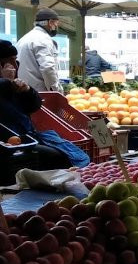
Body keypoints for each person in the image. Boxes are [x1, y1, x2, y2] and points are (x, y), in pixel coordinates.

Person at [0, 40, 88, 173]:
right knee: (54, 156)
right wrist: (6, 82)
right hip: (9, 143)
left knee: (73, 154)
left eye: (15, 61)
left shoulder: (13, 85)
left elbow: (34, 106)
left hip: (27, 137)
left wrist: (27, 90)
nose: (14, 66)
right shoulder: (5, 85)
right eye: (9, 61)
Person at [15, 8, 62, 92]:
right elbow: (47, 68)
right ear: (50, 22)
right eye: (56, 23)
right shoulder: (43, 39)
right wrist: (55, 90)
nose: (56, 26)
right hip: (38, 92)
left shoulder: (24, 38)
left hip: (22, 89)